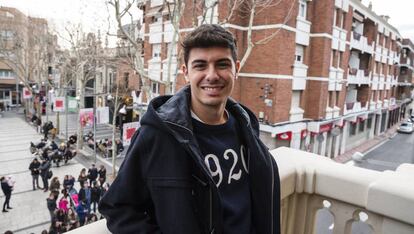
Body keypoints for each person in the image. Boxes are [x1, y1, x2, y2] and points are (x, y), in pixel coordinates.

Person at [99, 24, 281, 234]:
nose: (212, 75)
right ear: (186, 72)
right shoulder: (157, 135)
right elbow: (118, 208)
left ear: (236, 69)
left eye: (222, 64)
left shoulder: (246, 126)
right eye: (200, 66)